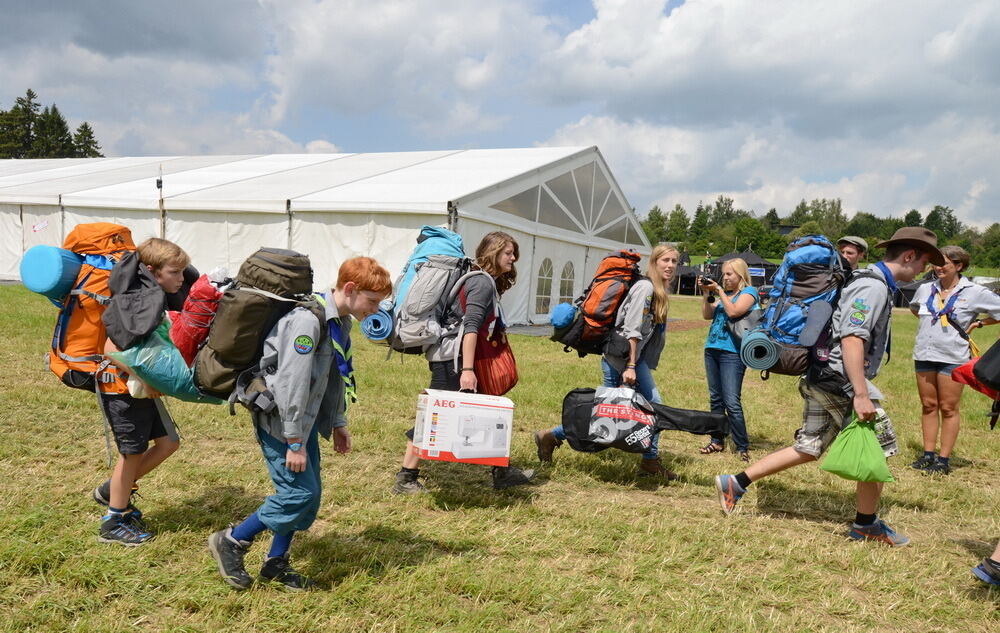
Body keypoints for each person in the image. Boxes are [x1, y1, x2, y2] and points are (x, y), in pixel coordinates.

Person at [715, 227, 946, 546]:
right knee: (878, 447)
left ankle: (736, 482)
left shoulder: (867, 279)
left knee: (809, 446)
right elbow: (853, 338)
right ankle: (866, 525)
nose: (925, 269)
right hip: (841, 381)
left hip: (822, 374)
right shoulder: (872, 286)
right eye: (924, 262)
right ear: (909, 256)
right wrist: (861, 394)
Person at [208, 256, 391, 590]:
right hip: (282, 420)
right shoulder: (307, 322)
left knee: (309, 493)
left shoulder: (340, 322)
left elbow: (335, 374)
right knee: (297, 494)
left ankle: (276, 563)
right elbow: (291, 382)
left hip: (303, 421)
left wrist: (337, 422)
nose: (376, 309)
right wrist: (293, 440)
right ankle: (233, 540)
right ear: (350, 289)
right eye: (373, 301)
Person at [393, 232, 534, 494]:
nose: (513, 258)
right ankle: (405, 478)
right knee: (434, 417)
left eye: (514, 253)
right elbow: (470, 328)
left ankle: (502, 471)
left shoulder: (481, 279)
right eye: (508, 253)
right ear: (492, 252)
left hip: (456, 356)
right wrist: (467, 370)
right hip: (453, 359)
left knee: (490, 412)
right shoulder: (481, 283)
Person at [534, 245, 681, 478]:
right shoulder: (645, 288)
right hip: (621, 359)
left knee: (612, 413)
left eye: (674, 261)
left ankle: (649, 461)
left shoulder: (658, 290)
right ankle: (552, 435)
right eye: (665, 260)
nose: (670, 265)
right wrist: (631, 366)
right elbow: (632, 329)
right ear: (654, 262)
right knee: (623, 412)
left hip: (631, 358)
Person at [93, 237, 190, 546]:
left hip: (139, 387)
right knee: (132, 452)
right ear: (152, 271)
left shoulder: (153, 297)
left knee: (168, 442)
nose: (181, 279)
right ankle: (114, 519)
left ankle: (114, 489)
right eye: (175, 272)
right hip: (121, 387)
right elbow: (110, 348)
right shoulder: (136, 301)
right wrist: (146, 379)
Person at [908, 245, 1000, 474]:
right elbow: (915, 309)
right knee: (928, 405)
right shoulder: (926, 288)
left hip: (953, 357)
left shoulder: (974, 291)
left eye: (944, 263)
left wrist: (979, 323)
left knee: (948, 408)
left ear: (959, 266)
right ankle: (928, 454)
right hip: (925, 353)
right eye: (935, 263)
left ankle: (943, 459)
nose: (938, 267)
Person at [697, 258, 759, 461]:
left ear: (741, 275)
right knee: (716, 399)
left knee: (731, 401)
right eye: (723, 274)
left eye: (729, 274)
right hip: (712, 348)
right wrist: (706, 293)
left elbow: (734, 312)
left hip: (732, 352)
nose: (725, 278)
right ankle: (716, 441)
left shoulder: (749, 293)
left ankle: (742, 445)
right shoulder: (727, 295)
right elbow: (707, 315)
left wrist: (719, 292)